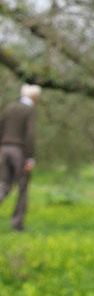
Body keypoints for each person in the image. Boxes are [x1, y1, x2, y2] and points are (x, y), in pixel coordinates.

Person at [0, 84, 41, 231]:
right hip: (19, 152)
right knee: (23, 187)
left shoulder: (9, 107)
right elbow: (30, 135)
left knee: (4, 185)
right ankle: (17, 224)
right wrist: (30, 158)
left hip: (4, 149)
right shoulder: (29, 110)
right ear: (35, 97)